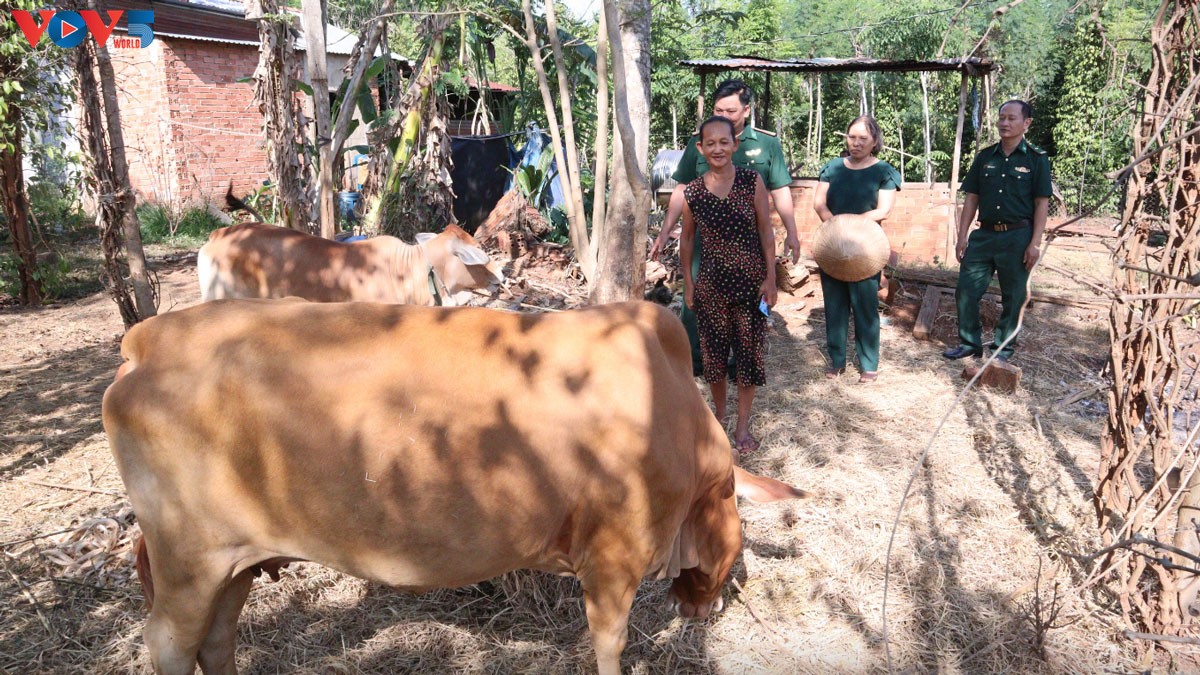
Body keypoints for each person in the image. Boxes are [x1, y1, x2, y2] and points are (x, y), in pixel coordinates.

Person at [649, 79, 800, 377]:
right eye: (718, 110)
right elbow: (682, 189)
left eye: (731, 111)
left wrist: (792, 233)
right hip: (705, 244)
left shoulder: (767, 144)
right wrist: (665, 231)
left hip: (749, 245)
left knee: (748, 304)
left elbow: (781, 190)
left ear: (746, 110)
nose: (724, 116)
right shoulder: (699, 142)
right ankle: (696, 361)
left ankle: (739, 363)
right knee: (695, 302)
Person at [680, 116, 778, 454]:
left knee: (748, 358)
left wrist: (770, 278)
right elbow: (687, 240)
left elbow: (766, 231)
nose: (718, 148)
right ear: (700, 148)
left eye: (724, 142)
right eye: (710, 143)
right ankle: (720, 418)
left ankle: (742, 425)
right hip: (711, 288)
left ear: (735, 144)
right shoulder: (693, 192)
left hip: (750, 287)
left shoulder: (752, 182)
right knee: (714, 360)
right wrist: (688, 284)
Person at [942, 100, 1052, 363]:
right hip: (984, 236)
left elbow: (1041, 203)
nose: (1005, 123)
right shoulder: (985, 157)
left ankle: (1002, 350)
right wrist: (962, 236)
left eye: (1012, 118)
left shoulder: (1036, 159)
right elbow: (972, 198)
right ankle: (969, 343)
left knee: (1013, 296)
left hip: (1018, 237)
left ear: (1026, 123)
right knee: (966, 290)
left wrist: (1035, 243)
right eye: (1002, 118)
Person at [813, 115, 900, 384]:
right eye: (852, 137)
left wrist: (853, 226)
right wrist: (837, 228)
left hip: (866, 248)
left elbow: (883, 210)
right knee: (834, 305)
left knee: (865, 306)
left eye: (863, 138)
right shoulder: (832, 168)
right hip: (833, 245)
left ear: (875, 141)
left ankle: (868, 364)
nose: (856, 143)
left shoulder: (884, 171)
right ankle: (837, 361)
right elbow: (819, 203)